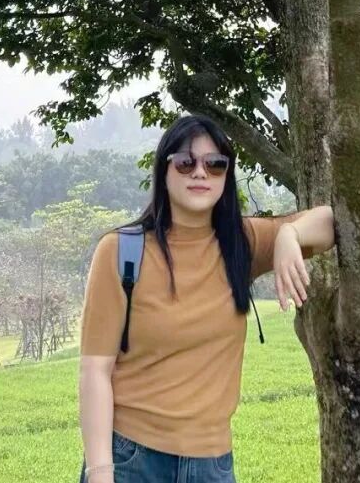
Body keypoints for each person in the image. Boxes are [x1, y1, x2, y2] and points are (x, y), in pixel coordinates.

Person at [77, 115, 335, 483]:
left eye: (215, 164)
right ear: (164, 171)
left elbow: (328, 222)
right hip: (133, 460)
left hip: (212, 465)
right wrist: (101, 472)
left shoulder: (241, 242)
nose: (200, 172)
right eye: (186, 162)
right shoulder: (121, 251)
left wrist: (288, 235)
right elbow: (95, 371)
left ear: (226, 175)